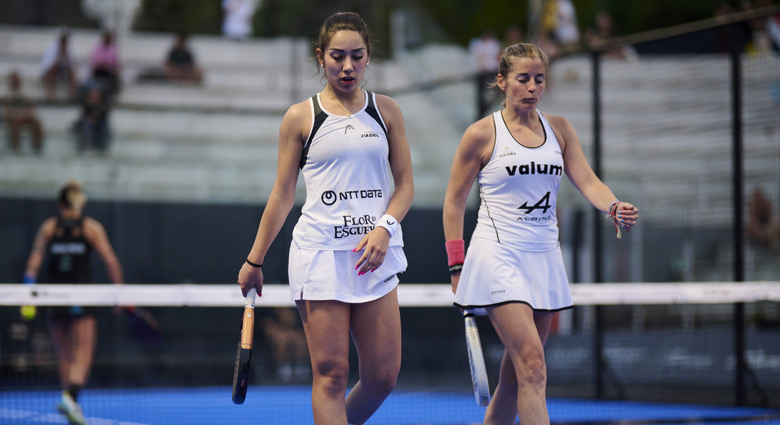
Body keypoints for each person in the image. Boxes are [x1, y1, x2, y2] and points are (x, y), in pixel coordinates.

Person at [442, 43, 638, 425]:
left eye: (539, 79)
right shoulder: (481, 134)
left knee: (518, 373)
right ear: (501, 81)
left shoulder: (560, 129)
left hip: (544, 256)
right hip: (496, 254)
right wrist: (456, 265)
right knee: (533, 364)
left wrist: (613, 206)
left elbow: (588, 181)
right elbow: (453, 203)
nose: (532, 87)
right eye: (523, 79)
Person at [237, 12, 414, 425]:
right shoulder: (301, 117)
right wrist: (255, 259)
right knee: (331, 375)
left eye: (357, 56)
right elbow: (282, 194)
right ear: (321, 57)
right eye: (337, 57)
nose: (347, 66)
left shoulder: (387, 112)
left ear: (369, 57)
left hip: (374, 255)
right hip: (319, 256)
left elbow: (405, 187)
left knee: (383, 376)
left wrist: (385, 229)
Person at [23, 180, 124, 425]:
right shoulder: (91, 227)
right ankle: (71, 397)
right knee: (83, 352)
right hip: (82, 298)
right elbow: (110, 261)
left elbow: (33, 264)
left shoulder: (49, 227)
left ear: (60, 204)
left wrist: (26, 296)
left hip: (52, 299)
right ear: (81, 203)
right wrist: (119, 294)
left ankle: (70, 403)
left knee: (64, 355)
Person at [3, 71, 44, 154]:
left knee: (37, 123)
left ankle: (38, 148)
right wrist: (13, 115)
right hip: (13, 117)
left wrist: (28, 114)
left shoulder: (25, 92)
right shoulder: (6, 94)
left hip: (25, 116)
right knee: (15, 122)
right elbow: (6, 110)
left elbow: (31, 106)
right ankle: (16, 148)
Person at [40, 28, 78, 100]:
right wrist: (59, 58)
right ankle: (50, 95)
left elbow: (73, 65)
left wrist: (66, 57)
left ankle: (72, 95)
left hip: (64, 71)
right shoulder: (51, 47)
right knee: (52, 71)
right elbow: (48, 66)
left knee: (72, 72)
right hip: (53, 70)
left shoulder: (71, 48)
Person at [88, 31, 121, 99]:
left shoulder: (113, 49)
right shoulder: (98, 48)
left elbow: (115, 64)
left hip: (108, 72)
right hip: (99, 71)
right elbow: (95, 62)